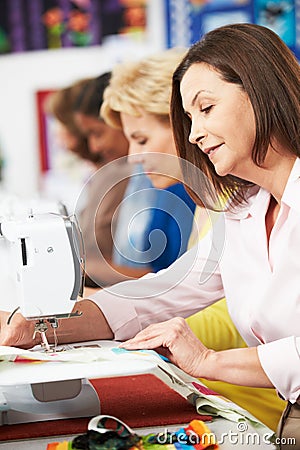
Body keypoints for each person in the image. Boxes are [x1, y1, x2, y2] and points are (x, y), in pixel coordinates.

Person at [1, 23, 299, 445]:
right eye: (188, 118)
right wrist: (32, 326)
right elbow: (157, 296)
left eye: (206, 108)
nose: (194, 133)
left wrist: (207, 360)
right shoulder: (244, 213)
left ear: (260, 91)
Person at [100, 49, 196, 273]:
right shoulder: (188, 195)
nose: (133, 157)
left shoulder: (223, 204)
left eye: (142, 140)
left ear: (183, 123)